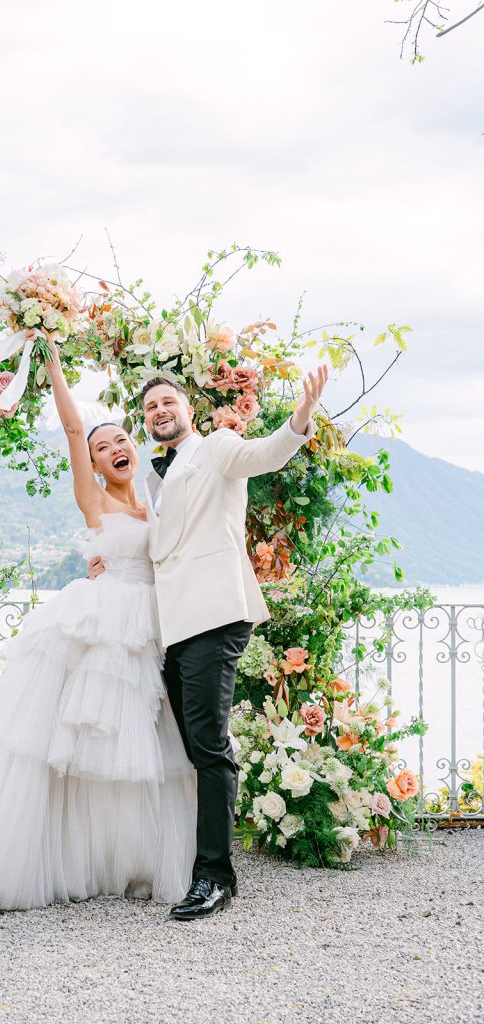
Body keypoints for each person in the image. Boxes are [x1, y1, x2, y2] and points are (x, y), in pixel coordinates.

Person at [0, 337, 196, 913]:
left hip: (152, 622)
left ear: (135, 445)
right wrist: (54, 362)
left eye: (121, 441)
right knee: (85, 742)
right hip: (105, 621)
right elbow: (71, 429)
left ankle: (125, 860)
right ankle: (52, 860)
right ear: (97, 461)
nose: (113, 449)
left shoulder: (158, 497)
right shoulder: (96, 502)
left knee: (142, 742)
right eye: (103, 447)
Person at [89, 365, 328, 920]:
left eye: (167, 402)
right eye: (149, 409)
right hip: (173, 625)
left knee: (209, 743)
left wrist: (301, 417)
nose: (158, 412)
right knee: (196, 746)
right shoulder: (154, 478)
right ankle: (202, 861)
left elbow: (265, 454)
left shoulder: (216, 447)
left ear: (187, 408)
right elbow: (161, 542)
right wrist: (110, 557)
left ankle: (215, 877)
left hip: (215, 613)